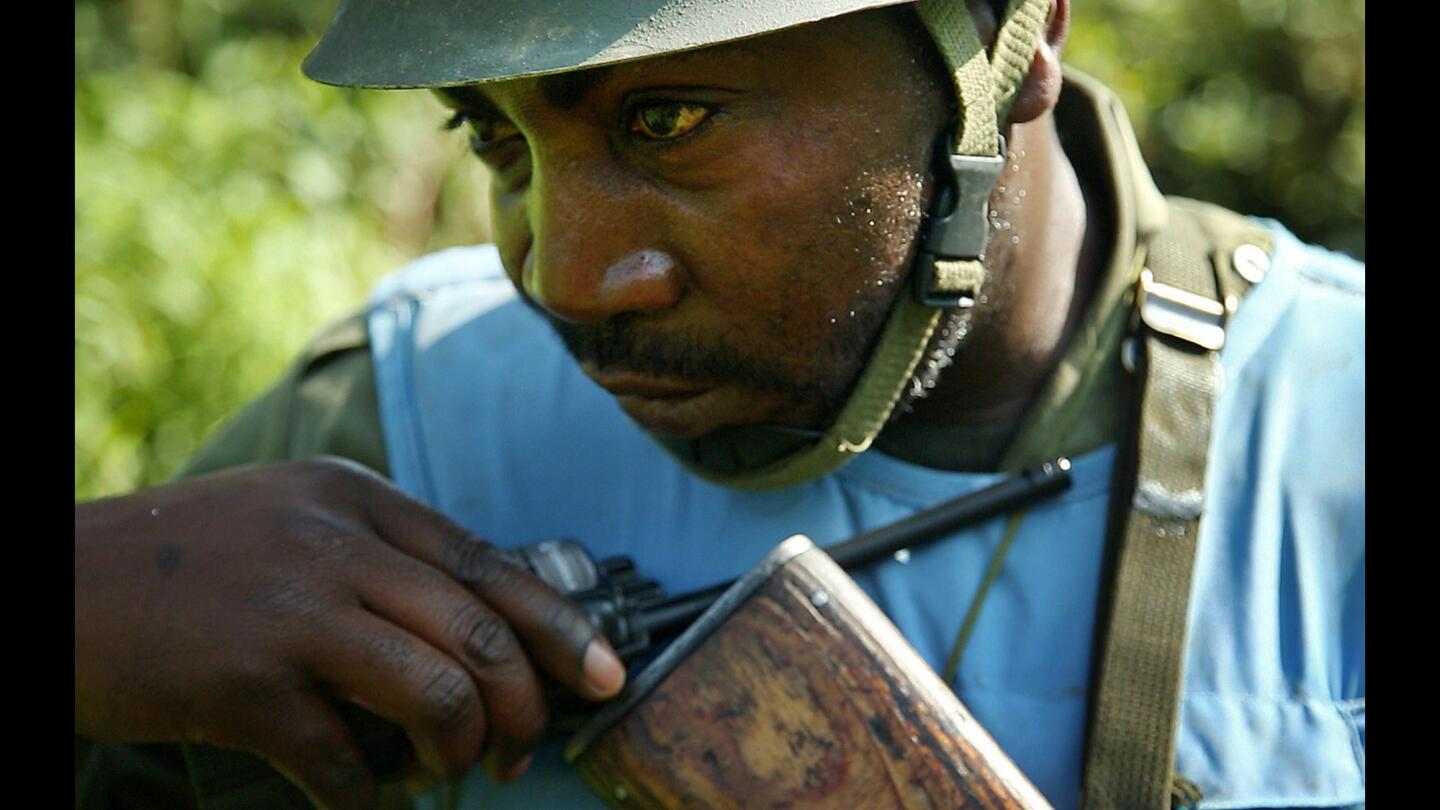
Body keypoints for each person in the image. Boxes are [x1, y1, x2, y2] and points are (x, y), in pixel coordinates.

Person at [74, 1, 1365, 808]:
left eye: (668, 117)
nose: (566, 278)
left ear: (1002, 38)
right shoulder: (381, 427)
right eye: (496, 139)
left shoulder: (1335, 427)